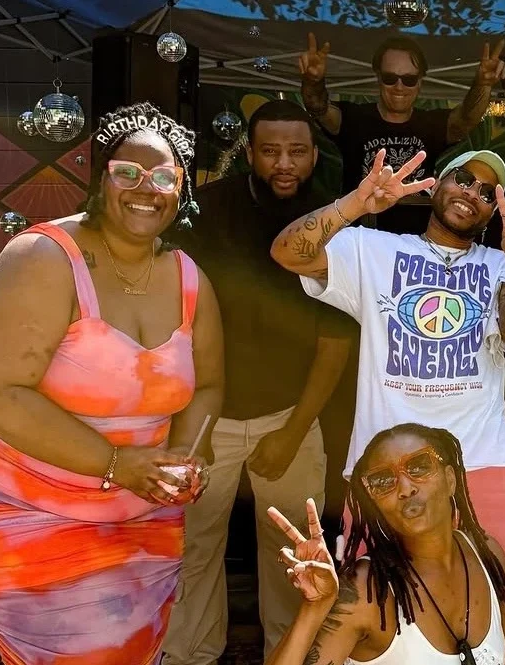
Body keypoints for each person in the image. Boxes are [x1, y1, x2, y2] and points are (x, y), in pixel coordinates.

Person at [0, 102, 222, 664]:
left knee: (135, 651)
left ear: (182, 190)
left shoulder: (191, 278)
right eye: (128, 173)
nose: (147, 188)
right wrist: (117, 464)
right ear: (100, 178)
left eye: (164, 176)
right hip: (22, 505)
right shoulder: (43, 257)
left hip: (141, 514)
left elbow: (208, 385)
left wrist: (186, 454)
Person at [270, 148, 505, 664]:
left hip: (486, 460)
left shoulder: (500, 265)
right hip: (388, 472)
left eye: (485, 191)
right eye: (463, 179)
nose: (471, 193)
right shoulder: (373, 250)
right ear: (435, 185)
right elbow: (288, 253)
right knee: (377, 608)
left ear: (493, 212)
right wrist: (356, 204)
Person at [162, 100, 353, 664]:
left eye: (297, 151)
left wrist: (293, 431)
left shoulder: (330, 222)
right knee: (192, 548)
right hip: (203, 420)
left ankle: (288, 657)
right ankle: (191, 657)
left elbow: (335, 342)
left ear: (315, 154)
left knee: (295, 557)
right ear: (249, 154)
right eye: (270, 151)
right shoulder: (208, 212)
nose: (284, 163)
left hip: (289, 414)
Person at [265, 423, 505, 665]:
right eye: (383, 480)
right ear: (375, 504)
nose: (405, 488)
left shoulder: (486, 555)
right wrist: (315, 608)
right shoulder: (366, 590)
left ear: (450, 480)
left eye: (419, 466)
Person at [300, 33, 505, 190]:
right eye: (390, 78)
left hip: (412, 237)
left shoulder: (431, 124)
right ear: (378, 78)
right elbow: (318, 107)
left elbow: (466, 119)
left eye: (408, 79)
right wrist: (313, 81)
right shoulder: (353, 118)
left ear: (420, 82)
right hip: (361, 235)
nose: (399, 87)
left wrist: (483, 84)